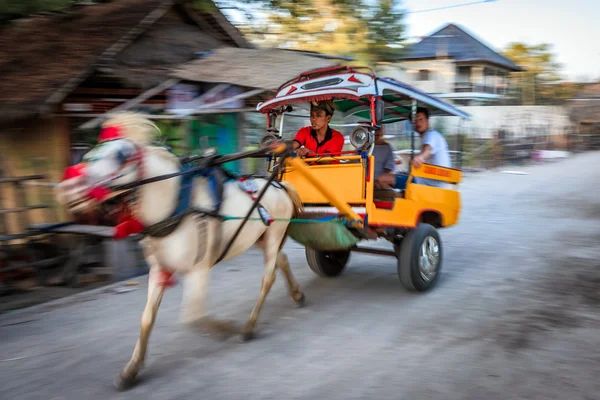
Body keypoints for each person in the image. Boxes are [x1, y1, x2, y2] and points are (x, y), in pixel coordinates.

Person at [410, 106, 452, 188]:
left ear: (427, 121)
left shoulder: (431, 134)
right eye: (415, 121)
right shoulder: (427, 137)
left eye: (421, 119)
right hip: (432, 181)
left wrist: (420, 158)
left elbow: (428, 150)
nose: (418, 123)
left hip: (432, 183)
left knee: (383, 179)